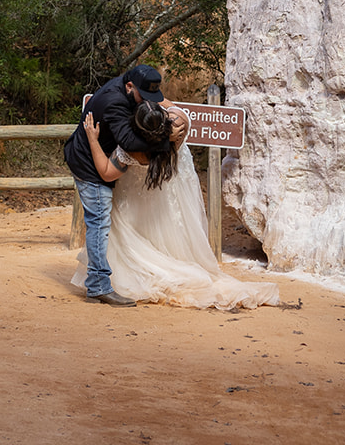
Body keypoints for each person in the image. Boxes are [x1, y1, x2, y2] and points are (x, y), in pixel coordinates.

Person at [72, 101, 280, 311]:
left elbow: (107, 172)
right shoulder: (180, 125)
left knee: (126, 230)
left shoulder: (132, 151)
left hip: (136, 202)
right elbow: (170, 105)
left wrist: (92, 138)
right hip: (163, 199)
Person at [63, 63, 183, 306]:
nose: (149, 102)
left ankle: (98, 282)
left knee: (103, 221)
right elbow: (129, 141)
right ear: (130, 87)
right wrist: (167, 140)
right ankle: (98, 286)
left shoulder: (130, 89)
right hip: (89, 164)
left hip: (103, 156)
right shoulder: (113, 102)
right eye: (145, 96)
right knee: (99, 221)